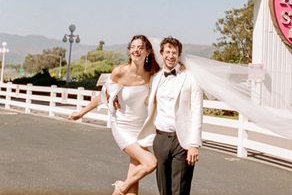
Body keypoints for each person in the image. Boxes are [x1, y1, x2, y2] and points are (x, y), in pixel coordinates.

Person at [69, 35, 160, 195]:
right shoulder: (120, 72)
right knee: (151, 163)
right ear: (129, 50)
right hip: (123, 126)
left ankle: (125, 189)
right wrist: (81, 112)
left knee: (134, 176)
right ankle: (121, 188)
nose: (136, 50)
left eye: (140, 47)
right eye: (133, 47)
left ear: (148, 51)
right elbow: (103, 96)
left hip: (141, 128)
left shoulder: (152, 73)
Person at [136, 37, 203, 195]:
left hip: (182, 140)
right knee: (163, 188)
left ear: (179, 54)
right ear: (161, 53)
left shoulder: (191, 78)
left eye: (174, 52)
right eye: (168, 52)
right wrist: (113, 96)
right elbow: (136, 93)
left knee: (179, 189)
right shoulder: (155, 78)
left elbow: (197, 112)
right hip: (160, 139)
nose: (171, 55)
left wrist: (194, 144)